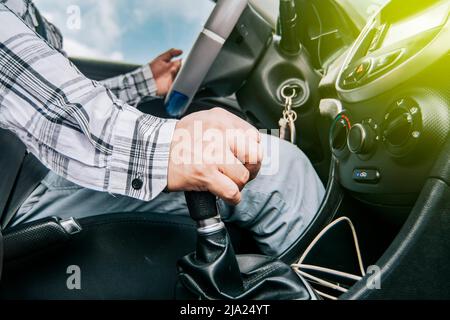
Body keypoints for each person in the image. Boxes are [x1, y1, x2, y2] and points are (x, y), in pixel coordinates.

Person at [0, 0, 325, 256]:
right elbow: (46, 100)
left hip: (36, 171)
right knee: (281, 170)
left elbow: (43, 101)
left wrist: (144, 82)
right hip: (22, 188)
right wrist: (169, 147)